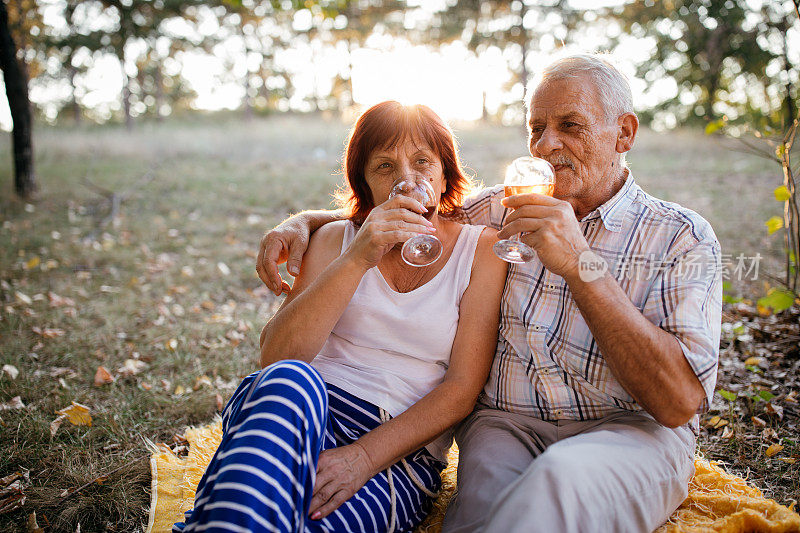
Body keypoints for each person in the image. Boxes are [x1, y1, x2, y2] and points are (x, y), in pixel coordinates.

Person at [257, 54, 722, 533]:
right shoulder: (498, 208)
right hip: (508, 426)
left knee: (558, 485)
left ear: (623, 133)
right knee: (474, 520)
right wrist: (305, 223)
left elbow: (678, 403)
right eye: (536, 127)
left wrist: (582, 265)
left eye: (570, 125)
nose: (546, 144)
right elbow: (405, 203)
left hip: (628, 431)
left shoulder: (679, 236)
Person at [176, 101, 506, 533]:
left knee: (272, 517)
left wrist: (364, 457)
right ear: (365, 186)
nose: (407, 179)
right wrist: (357, 259)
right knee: (291, 380)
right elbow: (277, 359)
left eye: (423, 161)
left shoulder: (481, 251)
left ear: (445, 173)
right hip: (299, 410)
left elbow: (462, 389)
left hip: (395, 452)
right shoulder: (334, 239)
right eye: (385, 167)